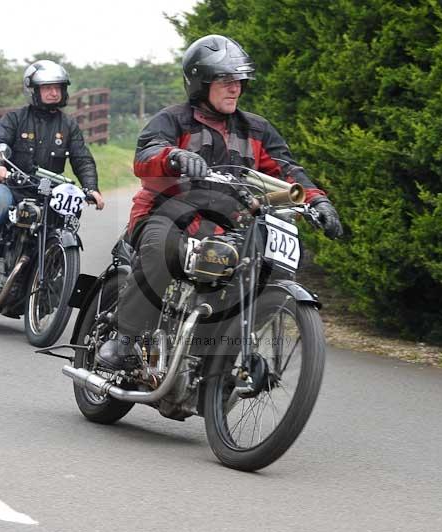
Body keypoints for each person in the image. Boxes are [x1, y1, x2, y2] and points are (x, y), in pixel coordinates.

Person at [95, 34, 342, 370]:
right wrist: (175, 157)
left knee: (263, 270)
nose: (235, 88)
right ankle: (124, 339)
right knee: (163, 249)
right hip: (168, 217)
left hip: (228, 228)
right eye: (225, 80)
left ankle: (214, 359)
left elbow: (286, 170)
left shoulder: (256, 129)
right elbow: (147, 156)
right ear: (200, 83)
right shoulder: (173, 119)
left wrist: (317, 201)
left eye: (238, 80)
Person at [0, 59, 105, 285]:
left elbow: (81, 158)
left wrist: (91, 188)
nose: (54, 93)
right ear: (33, 91)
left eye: (58, 88)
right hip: (12, 185)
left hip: (47, 192)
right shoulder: (16, 118)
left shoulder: (69, 125)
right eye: (47, 88)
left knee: (67, 217)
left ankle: (52, 270)